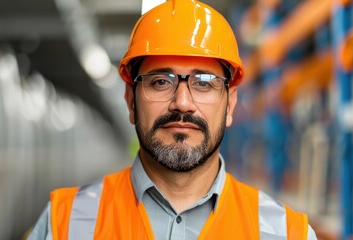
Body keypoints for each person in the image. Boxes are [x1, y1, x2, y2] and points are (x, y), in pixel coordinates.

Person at [29, 0, 318, 239]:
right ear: (131, 100)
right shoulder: (64, 224)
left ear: (230, 104)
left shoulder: (287, 232)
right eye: (160, 82)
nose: (182, 102)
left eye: (204, 82)